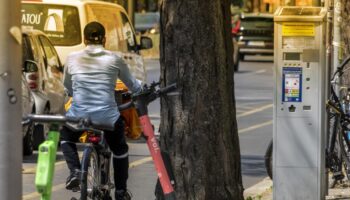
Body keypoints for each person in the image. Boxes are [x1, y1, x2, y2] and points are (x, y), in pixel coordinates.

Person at [60, 21, 141, 200]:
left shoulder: (72, 58)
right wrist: (141, 92)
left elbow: (68, 86)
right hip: (108, 119)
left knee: (66, 138)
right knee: (120, 149)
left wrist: (77, 94)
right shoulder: (114, 59)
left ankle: (75, 171)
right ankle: (120, 190)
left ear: (84, 38)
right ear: (104, 39)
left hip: (79, 117)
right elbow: (133, 86)